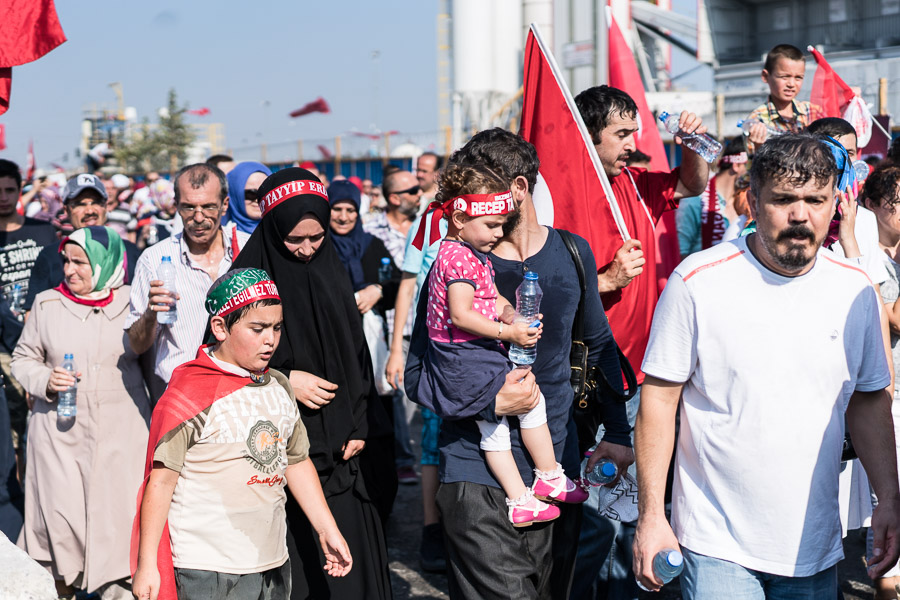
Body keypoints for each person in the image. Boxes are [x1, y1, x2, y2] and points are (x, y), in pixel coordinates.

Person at [633, 133, 900, 597]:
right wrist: (652, 515)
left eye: (815, 200)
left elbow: (869, 400)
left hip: (814, 546)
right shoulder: (697, 281)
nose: (801, 215)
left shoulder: (856, 289)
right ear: (754, 201)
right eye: (784, 199)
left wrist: (889, 500)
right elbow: (658, 401)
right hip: (715, 545)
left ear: (835, 204)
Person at [405, 129, 630, 599]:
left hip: (557, 469)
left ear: (518, 189)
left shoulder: (572, 252)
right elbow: (416, 376)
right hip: (474, 473)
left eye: (482, 187)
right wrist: (489, 402)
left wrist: (617, 433)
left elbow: (598, 344)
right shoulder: (455, 266)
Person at [131, 268, 352, 600]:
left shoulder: (279, 385)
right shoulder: (188, 394)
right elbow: (160, 482)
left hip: (271, 559)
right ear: (221, 327)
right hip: (206, 567)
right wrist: (148, 563)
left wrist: (327, 528)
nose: (270, 340)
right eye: (257, 329)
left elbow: (296, 461)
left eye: (277, 328)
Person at [572, 85, 708, 600]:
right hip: (586, 378)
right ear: (588, 136)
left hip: (640, 376)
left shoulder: (636, 184)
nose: (633, 143)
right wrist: (605, 280)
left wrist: (692, 143)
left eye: (635, 132)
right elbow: (538, 289)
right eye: (622, 134)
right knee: (594, 514)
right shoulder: (560, 195)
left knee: (627, 507)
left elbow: (691, 182)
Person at [231, 168, 392, 600]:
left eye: (316, 237)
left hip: (342, 452)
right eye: (294, 239)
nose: (306, 249)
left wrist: (359, 423)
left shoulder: (330, 268)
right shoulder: (247, 280)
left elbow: (355, 355)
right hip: (277, 455)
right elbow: (225, 362)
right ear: (272, 228)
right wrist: (283, 380)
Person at [412, 162, 588, 526]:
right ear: (460, 218)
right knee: (507, 420)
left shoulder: (470, 253)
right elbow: (461, 315)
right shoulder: (456, 257)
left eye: (502, 225)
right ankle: (534, 487)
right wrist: (508, 333)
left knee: (506, 420)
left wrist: (511, 314)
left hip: (471, 357)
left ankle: (534, 488)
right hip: (463, 360)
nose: (498, 233)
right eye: (492, 225)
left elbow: (490, 297)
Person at [12, 226, 151, 600]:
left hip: (123, 436)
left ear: (106, 262)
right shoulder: (47, 304)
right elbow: (23, 358)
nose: (69, 270)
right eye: (66, 261)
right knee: (59, 526)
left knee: (119, 528)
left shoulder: (132, 302)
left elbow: (151, 358)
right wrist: (46, 379)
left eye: (80, 262)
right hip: (59, 437)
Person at [125, 163, 248, 396]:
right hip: (181, 396)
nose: (198, 217)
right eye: (189, 207)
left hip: (241, 392)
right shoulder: (153, 260)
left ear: (224, 205)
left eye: (208, 207)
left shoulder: (248, 248)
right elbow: (137, 345)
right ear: (176, 206)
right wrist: (151, 313)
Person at [327, 179, 400, 524]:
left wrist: (377, 290)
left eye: (350, 210)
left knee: (379, 429)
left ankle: (380, 510)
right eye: (336, 209)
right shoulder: (320, 246)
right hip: (335, 355)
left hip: (372, 351)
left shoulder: (371, 245)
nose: (343, 217)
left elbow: (396, 282)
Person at [366, 169, 424, 484]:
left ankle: (421, 456)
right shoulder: (370, 230)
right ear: (393, 198)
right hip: (390, 327)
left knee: (418, 402)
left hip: (425, 325)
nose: (419, 194)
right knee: (397, 396)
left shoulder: (427, 225)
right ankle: (403, 459)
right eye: (412, 190)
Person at [0, 159, 58, 468]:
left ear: (20, 190)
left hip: (45, 343)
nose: (3, 198)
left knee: (42, 428)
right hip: (5, 349)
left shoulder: (44, 231)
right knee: (11, 434)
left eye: (10, 190)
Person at [860, 164, 900, 599]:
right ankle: (886, 585)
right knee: (889, 496)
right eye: (898, 202)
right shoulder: (868, 259)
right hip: (888, 395)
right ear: (871, 205)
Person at [24, 174, 142, 314]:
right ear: (66, 210)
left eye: (96, 202)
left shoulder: (129, 251)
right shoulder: (50, 256)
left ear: (106, 206)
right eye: (80, 204)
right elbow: (32, 313)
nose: (90, 211)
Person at [676, 137, 749, 256]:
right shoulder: (696, 198)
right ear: (737, 165)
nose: (755, 173)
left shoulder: (746, 201)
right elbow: (680, 251)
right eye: (751, 166)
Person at [743, 44, 818, 154]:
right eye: (784, 77)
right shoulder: (757, 120)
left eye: (798, 77)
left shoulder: (812, 111)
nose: (791, 84)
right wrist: (759, 147)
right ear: (765, 76)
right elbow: (754, 162)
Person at [223, 161, 272, 235]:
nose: (258, 200)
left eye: (265, 193)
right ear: (235, 195)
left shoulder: (285, 232)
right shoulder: (221, 237)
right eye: (251, 194)